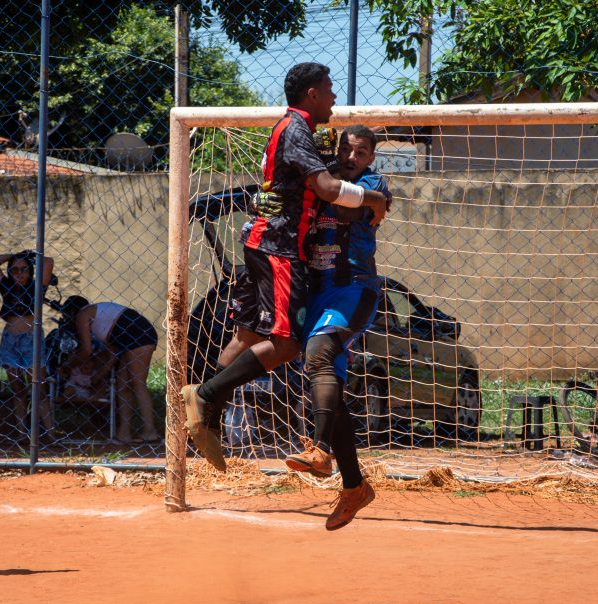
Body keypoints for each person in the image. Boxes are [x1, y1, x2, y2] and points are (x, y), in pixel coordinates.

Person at [180, 62, 389, 471]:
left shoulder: (364, 176)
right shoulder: (297, 131)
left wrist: (365, 196)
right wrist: (369, 201)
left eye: (360, 152)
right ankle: (205, 398)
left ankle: (213, 421)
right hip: (279, 248)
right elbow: (327, 191)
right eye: (329, 89)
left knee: (246, 337)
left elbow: (300, 194)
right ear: (312, 93)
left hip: (288, 255)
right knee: (291, 346)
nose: (334, 97)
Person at [284, 125, 391, 529]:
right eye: (345, 149)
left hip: (354, 289)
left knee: (320, 354)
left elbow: (346, 209)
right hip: (316, 292)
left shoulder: (371, 183)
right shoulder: (321, 179)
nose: (351, 157)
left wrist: (353, 189)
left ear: (370, 159)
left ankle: (320, 450)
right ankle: (354, 486)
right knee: (326, 383)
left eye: (360, 152)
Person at [62, 296, 160, 443]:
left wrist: (68, 366)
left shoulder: (83, 315)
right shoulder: (100, 320)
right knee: (122, 387)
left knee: (137, 384)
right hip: (128, 340)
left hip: (140, 337)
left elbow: (87, 351)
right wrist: (99, 374)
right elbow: (112, 353)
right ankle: (124, 434)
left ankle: (150, 432)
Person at [0, 250, 55, 437]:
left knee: (39, 389)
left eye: (24, 269)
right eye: (15, 270)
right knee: (17, 389)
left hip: (31, 340)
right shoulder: (6, 287)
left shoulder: (37, 287)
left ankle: (51, 433)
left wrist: (33, 255)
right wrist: (12, 256)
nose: (20, 274)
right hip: (10, 341)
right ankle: (21, 431)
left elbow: (48, 262)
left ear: (31, 271)